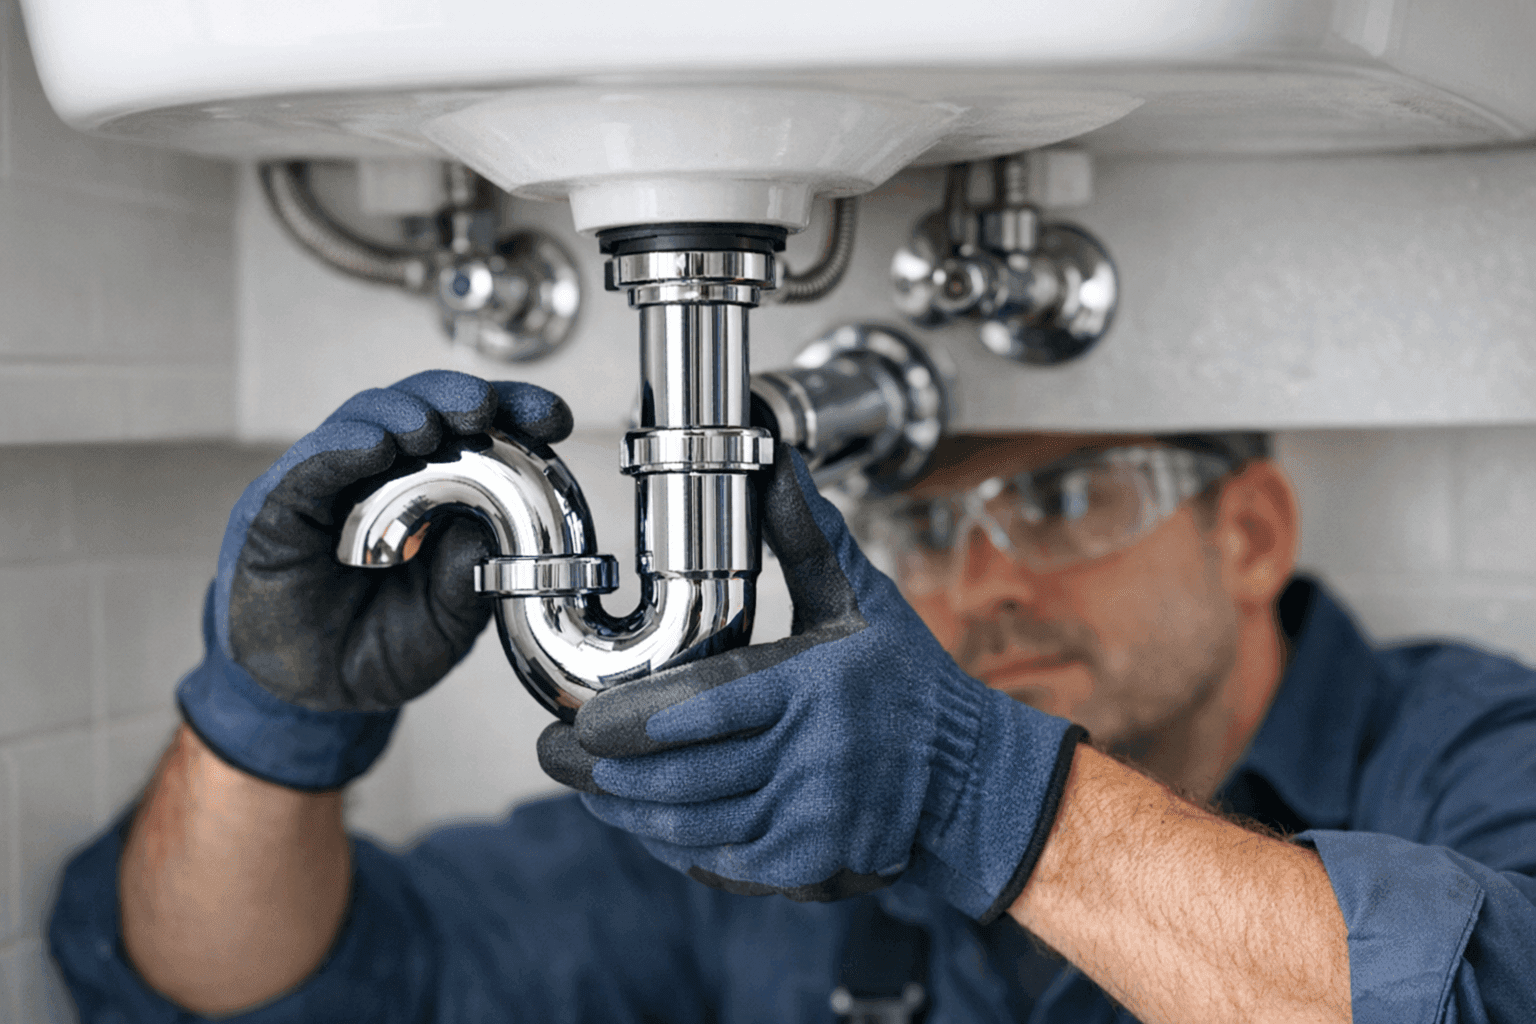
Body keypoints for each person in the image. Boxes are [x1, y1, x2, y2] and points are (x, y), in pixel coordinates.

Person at [49, 372, 1536, 1023]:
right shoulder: (799, 830)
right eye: (929, 525)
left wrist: (989, 800)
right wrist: (270, 731)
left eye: (1061, 499)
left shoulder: (1469, 753)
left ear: (1251, 532)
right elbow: (275, 996)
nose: (984, 582)